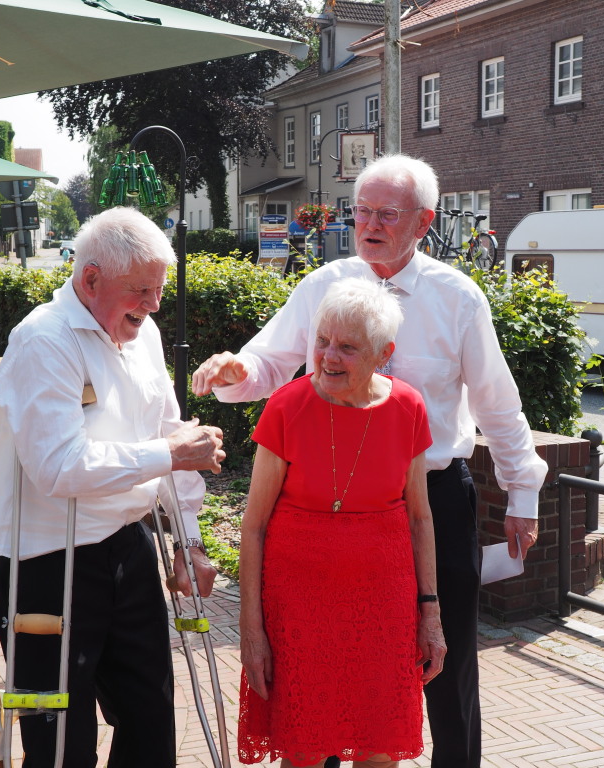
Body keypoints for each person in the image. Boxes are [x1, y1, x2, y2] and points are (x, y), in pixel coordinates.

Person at [192, 154, 548, 768]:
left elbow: (498, 402)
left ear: (424, 221)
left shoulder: (457, 298)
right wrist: (235, 369)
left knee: (448, 661)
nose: (370, 224)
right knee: (334, 663)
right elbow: (269, 362)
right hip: (334, 506)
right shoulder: (322, 286)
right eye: (362, 211)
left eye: (387, 213)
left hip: (431, 500)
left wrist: (522, 492)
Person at [0, 206, 226, 768]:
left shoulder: (144, 333)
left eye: (159, 289)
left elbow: (171, 432)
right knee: (59, 742)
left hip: (126, 545)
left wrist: (188, 541)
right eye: (141, 289)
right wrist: (168, 453)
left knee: (150, 720)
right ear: (91, 279)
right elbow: (59, 467)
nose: (154, 304)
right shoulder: (43, 339)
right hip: (44, 563)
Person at [237, 278, 445, 768]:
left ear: (383, 353)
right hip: (298, 608)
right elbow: (254, 526)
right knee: (304, 749)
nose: (328, 357)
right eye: (322, 340)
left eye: (347, 347)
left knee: (380, 746)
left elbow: (420, 518)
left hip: (383, 607)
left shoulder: (408, 407)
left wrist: (430, 614)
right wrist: (251, 629)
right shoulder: (287, 406)